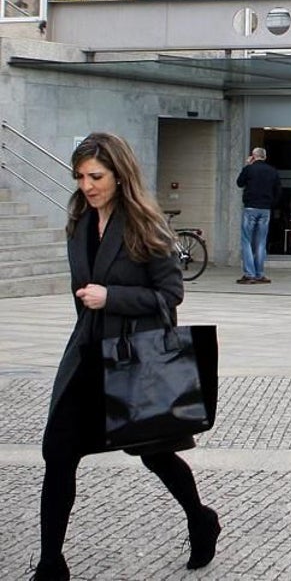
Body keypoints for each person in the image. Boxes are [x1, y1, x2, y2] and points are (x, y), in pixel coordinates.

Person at [36, 132, 220, 580]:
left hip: (132, 358)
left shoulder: (147, 226)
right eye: (80, 177)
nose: (87, 185)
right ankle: (50, 563)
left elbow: (170, 294)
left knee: (154, 453)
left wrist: (112, 296)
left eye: (96, 176)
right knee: (57, 451)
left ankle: (200, 519)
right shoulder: (80, 223)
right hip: (86, 356)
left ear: (119, 175)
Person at [235, 147, 281, 285]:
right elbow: (278, 190)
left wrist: (247, 165)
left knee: (246, 241)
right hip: (265, 209)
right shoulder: (272, 171)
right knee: (261, 242)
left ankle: (249, 274)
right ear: (264, 157)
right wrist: (271, 203)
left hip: (250, 208)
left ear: (253, 157)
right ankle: (260, 274)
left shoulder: (250, 169)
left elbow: (239, 183)